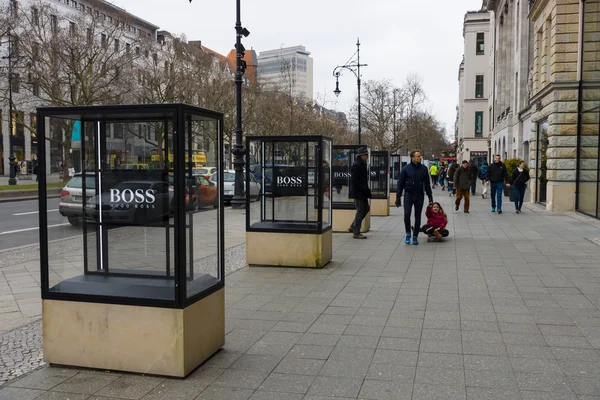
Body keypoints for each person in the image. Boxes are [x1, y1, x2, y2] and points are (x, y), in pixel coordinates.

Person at [396, 150, 433, 245]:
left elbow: (427, 184)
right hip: (408, 195)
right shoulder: (405, 169)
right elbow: (400, 184)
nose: (420, 157)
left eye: (420, 156)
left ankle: (415, 235)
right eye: (417, 156)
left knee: (418, 216)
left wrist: (430, 197)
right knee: (407, 214)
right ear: (412, 158)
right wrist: (398, 197)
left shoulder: (424, 169)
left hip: (419, 195)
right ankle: (408, 233)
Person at [348, 147, 371, 239]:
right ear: (362, 155)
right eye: (366, 154)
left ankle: (353, 226)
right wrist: (362, 189)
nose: (367, 156)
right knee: (360, 211)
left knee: (366, 209)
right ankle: (356, 232)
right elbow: (354, 180)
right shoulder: (357, 165)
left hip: (362, 191)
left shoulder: (362, 163)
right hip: (358, 192)